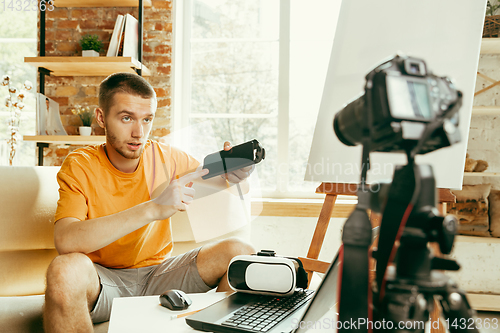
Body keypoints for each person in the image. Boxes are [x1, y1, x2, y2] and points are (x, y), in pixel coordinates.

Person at [43, 72, 255, 333]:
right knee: (64, 271)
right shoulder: (80, 165)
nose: (138, 132)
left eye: (147, 119)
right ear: (101, 118)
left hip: (160, 274)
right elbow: (66, 240)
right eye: (126, 118)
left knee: (241, 253)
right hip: (103, 281)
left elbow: (220, 186)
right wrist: (153, 208)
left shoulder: (167, 157)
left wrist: (237, 176)